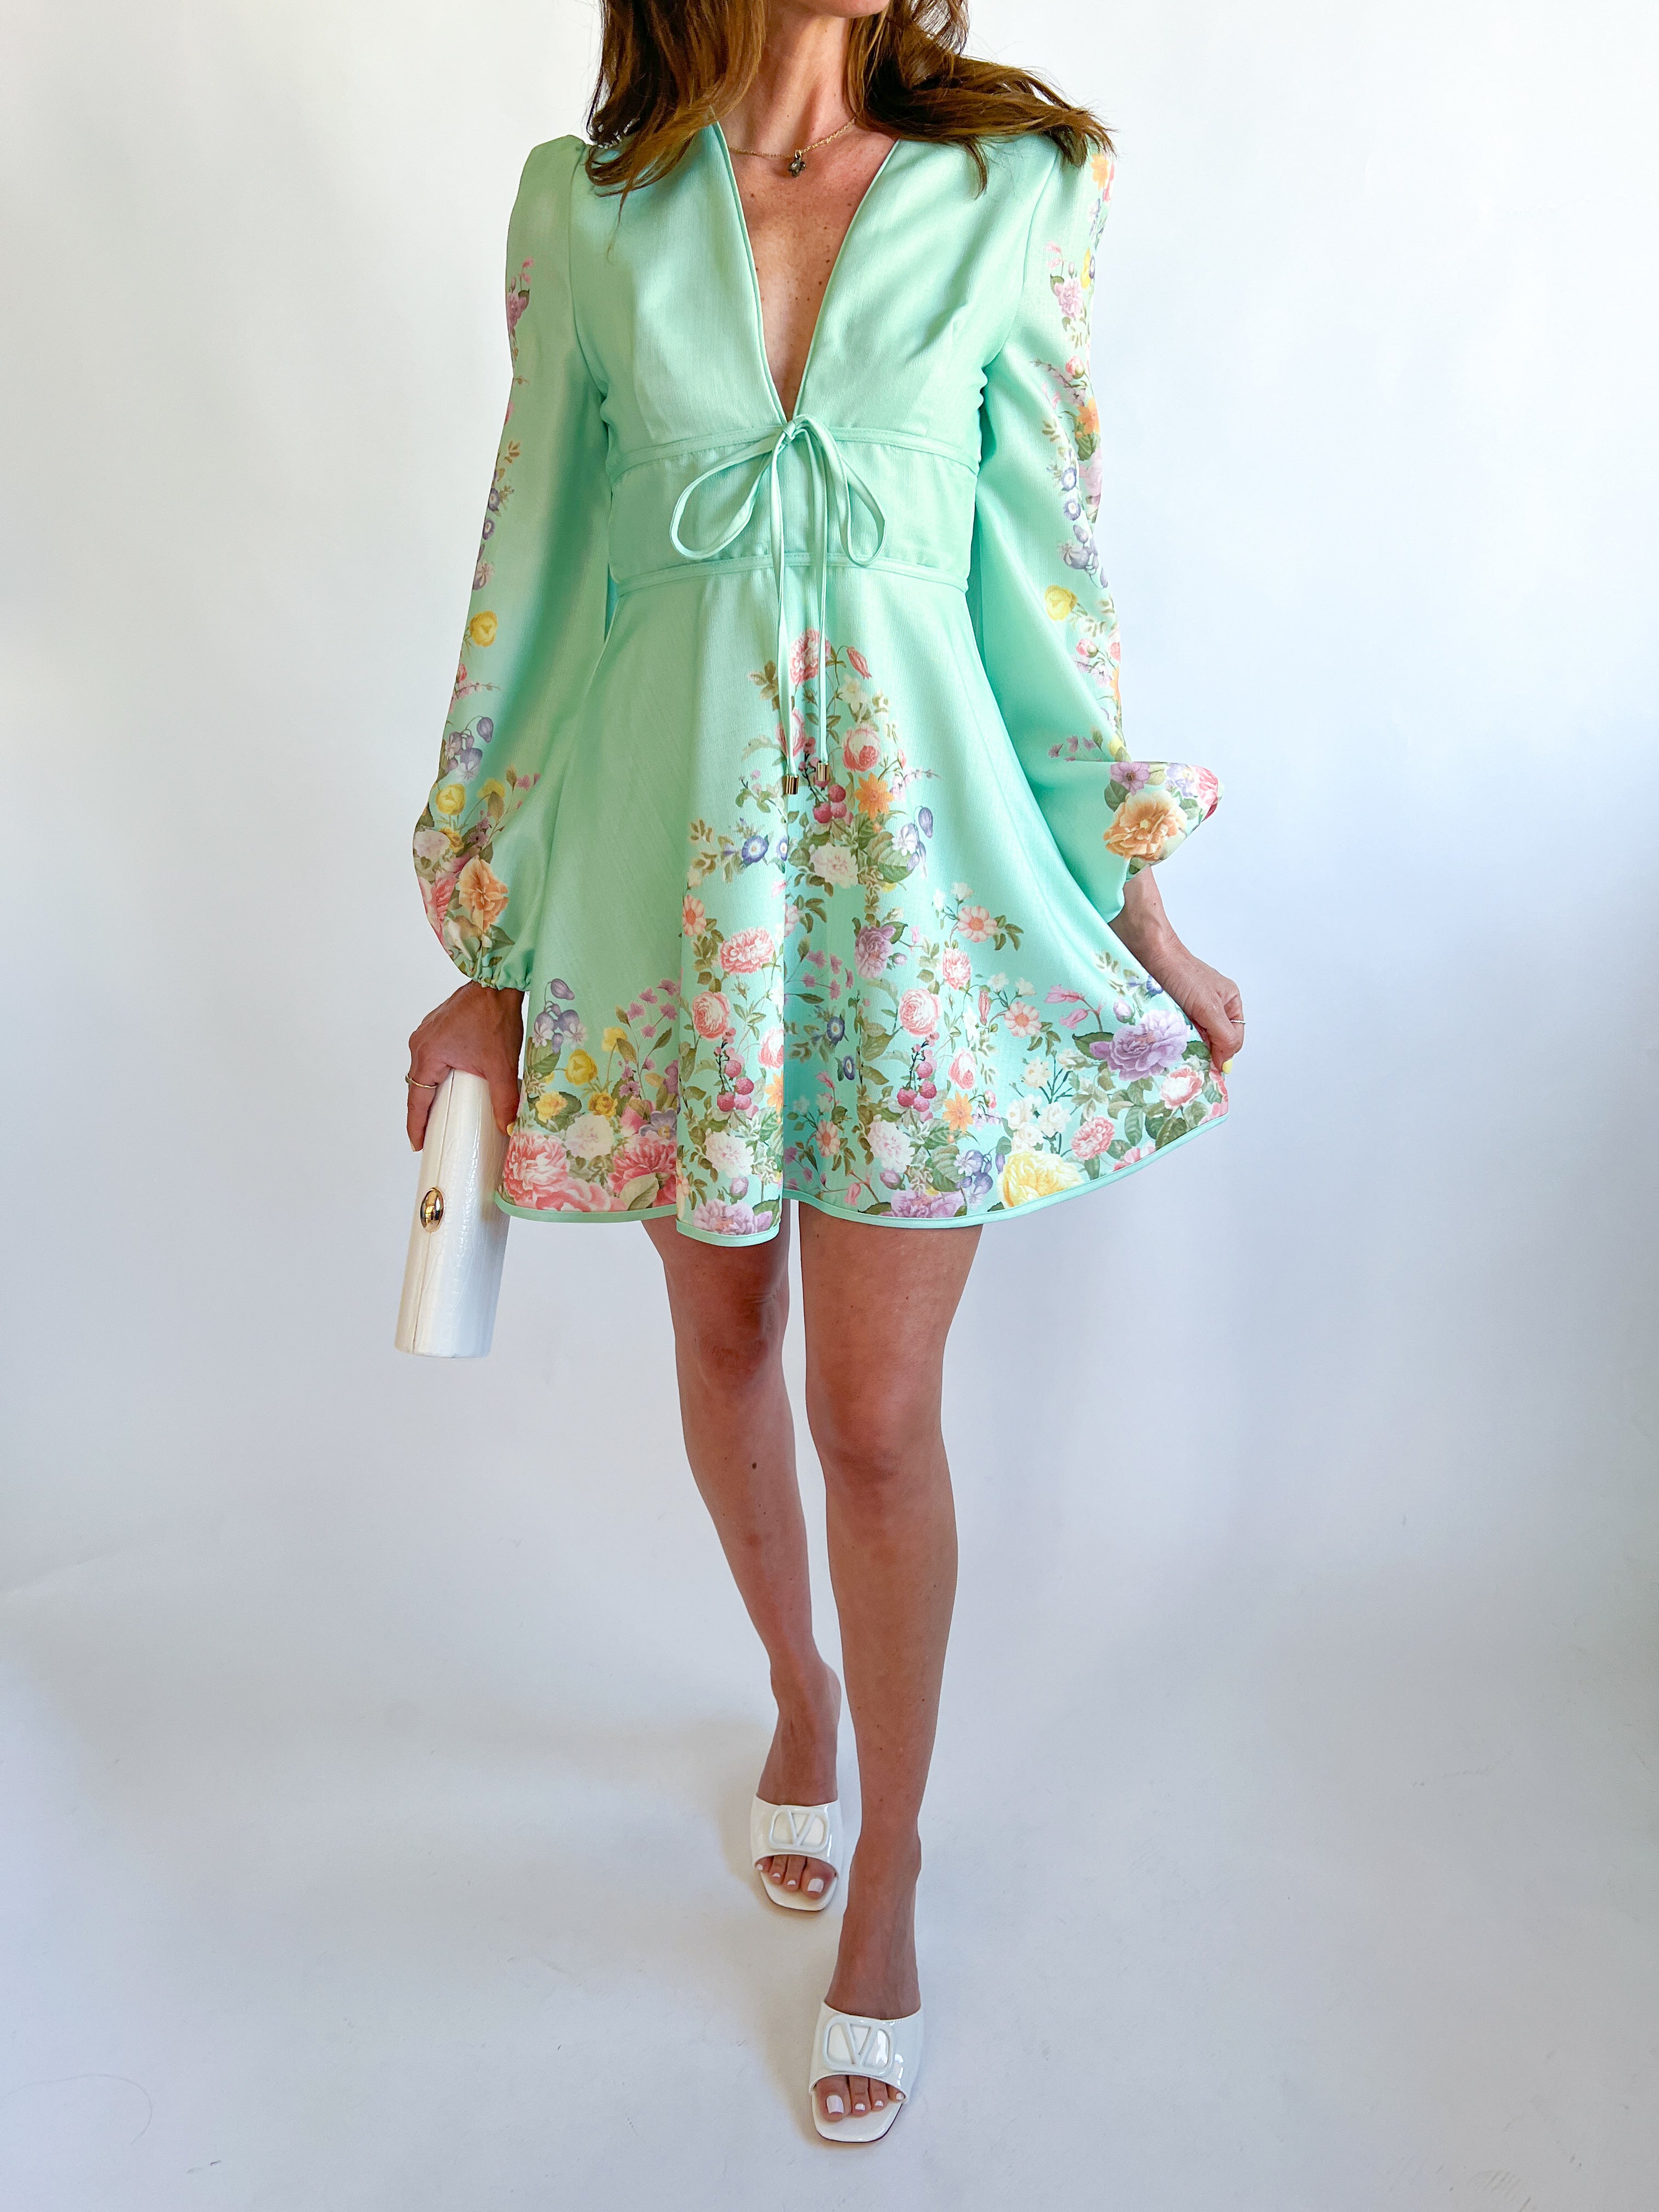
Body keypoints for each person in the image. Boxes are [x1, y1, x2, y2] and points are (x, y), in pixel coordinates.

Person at [404, 0, 1244, 2143]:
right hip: (666, 887)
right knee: (725, 1337)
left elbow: (1045, 576)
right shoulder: (585, 210)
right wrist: (483, 946)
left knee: (874, 1417)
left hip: (918, 895)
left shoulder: (1013, 189)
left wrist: (1138, 892)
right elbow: (531, 578)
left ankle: (894, 1863)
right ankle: (798, 1693)